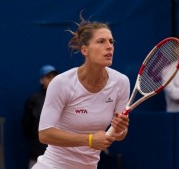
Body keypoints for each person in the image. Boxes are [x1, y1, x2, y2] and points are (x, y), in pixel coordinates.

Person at [32, 14, 130, 169]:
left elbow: (120, 135)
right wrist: (89, 140)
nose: (109, 46)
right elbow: (45, 134)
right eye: (101, 41)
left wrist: (120, 129)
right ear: (85, 50)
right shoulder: (61, 83)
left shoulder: (121, 82)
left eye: (111, 41)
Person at [22, 65, 58, 169]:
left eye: (54, 77)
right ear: (41, 80)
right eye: (48, 77)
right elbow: (26, 127)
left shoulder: (64, 98)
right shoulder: (34, 100)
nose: (52, 80)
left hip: (59, 155)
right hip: (37, 153)